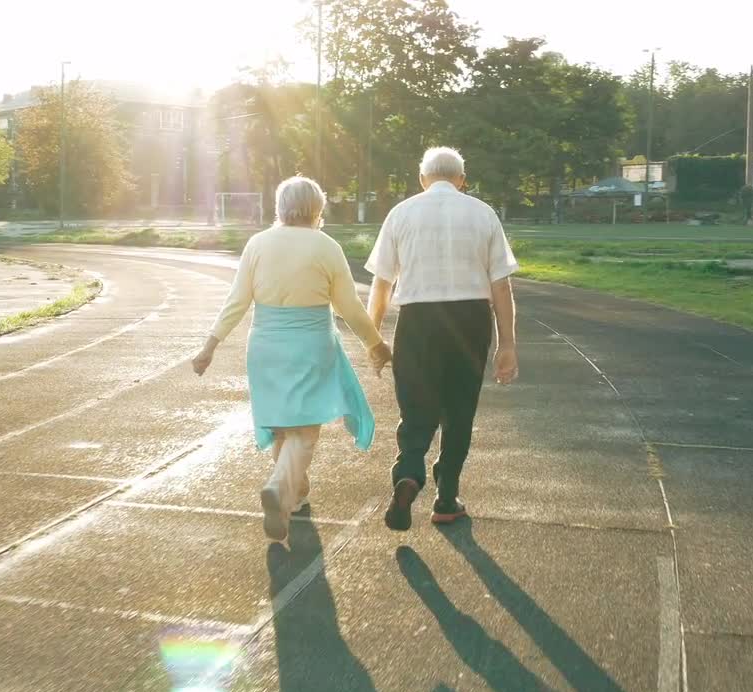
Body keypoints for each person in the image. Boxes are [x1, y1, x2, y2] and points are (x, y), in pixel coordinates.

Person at [192, 176, 393, 545]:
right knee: (304, 429)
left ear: (279, 207)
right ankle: (279, 488)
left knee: (283, 427)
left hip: (265, 346)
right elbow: (348, 306)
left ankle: (292, 498)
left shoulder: (257, 244)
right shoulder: (326, 247)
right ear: (318, 208)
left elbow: (236, 301)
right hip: (310, 345)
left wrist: (210, 346)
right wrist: (375, 344)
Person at [364, 147, 519, 532]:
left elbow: (381, 284)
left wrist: (373, 339)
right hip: (470, 320)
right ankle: (446, 498)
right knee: (459, 411)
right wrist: (507, 345)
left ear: (422, 179)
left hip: (418, 319)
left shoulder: (401, 214)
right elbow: (501, 285)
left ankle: (410, 471)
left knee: (417, 407)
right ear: (462, 180)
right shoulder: (483, 214)